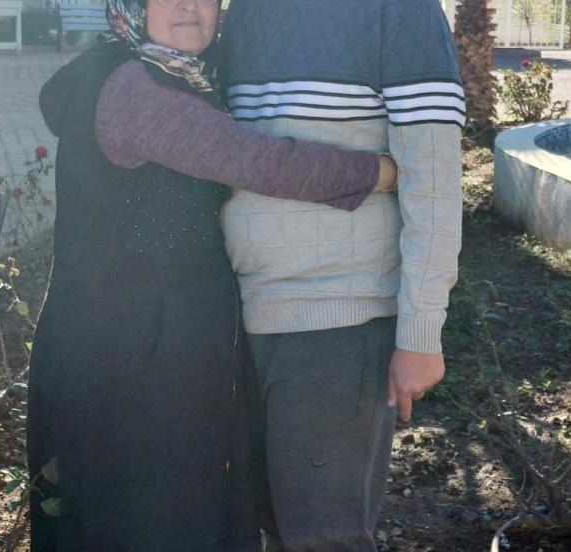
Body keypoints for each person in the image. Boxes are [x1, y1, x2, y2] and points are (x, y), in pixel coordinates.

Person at [28, 0, 400, 550]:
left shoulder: (184, 74)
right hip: (120, 361)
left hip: (161, 347)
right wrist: (384, 172)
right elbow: (258, 161)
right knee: (143, 522)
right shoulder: (131, 89)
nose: (189, 5)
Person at [220, 1, 466, 550]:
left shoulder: (399, 12)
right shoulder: (244, 12)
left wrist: (421, 335)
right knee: (273, 529)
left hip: (338, 323)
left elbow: (433, 183)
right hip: (242, 317)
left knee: (324, 537)